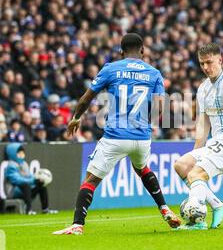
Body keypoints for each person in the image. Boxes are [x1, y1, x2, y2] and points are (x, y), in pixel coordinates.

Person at [53, 33, 181, 235]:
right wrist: (145, 124)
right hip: (141, 138)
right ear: (143, 50)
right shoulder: (154, 73)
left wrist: (76, 117)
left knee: (90, 180)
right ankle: (164, 208)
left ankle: (77, 225)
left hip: (115, 137)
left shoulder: (111, 69)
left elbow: (87, 98)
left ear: (121, 51)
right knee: (142, 169)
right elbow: (160, 108)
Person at [174, 43, 223, 230]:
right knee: (182, 165)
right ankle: (218, 205)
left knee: (196, 174)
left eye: (209, 62)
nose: (205, 67)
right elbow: (203, 124)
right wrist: (196, 151)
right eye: (202, 63)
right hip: (215, 142)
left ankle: (197, 221)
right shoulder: (203, 89)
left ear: (220, 60)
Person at [4, 143, 58, 215]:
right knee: (25, 185)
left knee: (41, 186)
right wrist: (33, 181)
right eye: (19, 153)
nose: (21, 155)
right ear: (13, 153)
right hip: (13, 191)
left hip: (25, 190)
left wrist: (37, 179)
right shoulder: (11, 165)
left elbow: (29, 176)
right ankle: (28, 210)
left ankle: (45, 209)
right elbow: (16, 180)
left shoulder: (24, 164)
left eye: (22, 153)